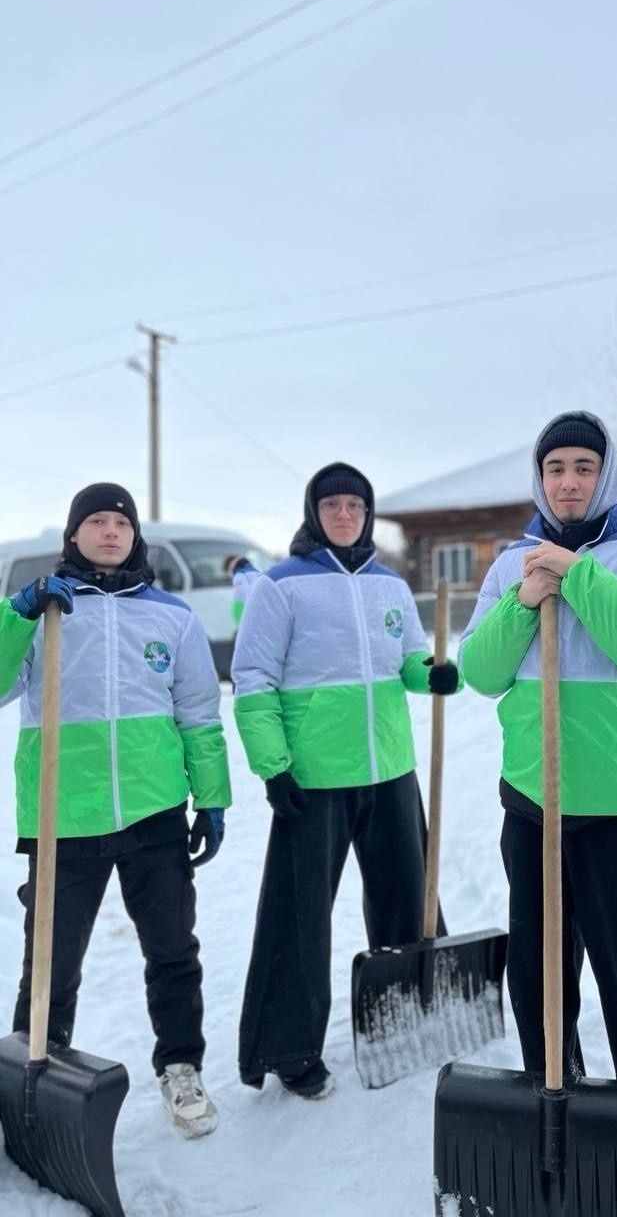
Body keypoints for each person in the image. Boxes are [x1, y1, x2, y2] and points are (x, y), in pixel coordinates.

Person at [459, 411, 617, 1168]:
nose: (569, 481)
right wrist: (524, 597)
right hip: (533, 802)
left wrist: (576, 573)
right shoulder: (511, 563)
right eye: (556, 467)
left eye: (585, 467)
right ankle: (552, 1104)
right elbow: (480, 670)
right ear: (540, 477)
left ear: (609, 473)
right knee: (540, 974)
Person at [0, 483, 231, 1140]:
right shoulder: (43, 612)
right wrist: (17, 616)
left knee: (172, 951)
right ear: (73, 535)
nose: (109, 531)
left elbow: (198, 715)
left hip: (152, 812)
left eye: (119, 521)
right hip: (61, 814)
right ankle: (31, 1073)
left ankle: (181, 1068)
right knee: (49, 958)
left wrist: (210, 797)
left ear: (135, 535)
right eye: (94, 521)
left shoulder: (172, 617)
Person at [232, 461, 459, 1100]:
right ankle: (288, 1048)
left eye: (355, 506)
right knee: (298, 915)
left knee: (408, 898)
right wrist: (273, 766)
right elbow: (253, 679)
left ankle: (411, 1015)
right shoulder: (281, 587)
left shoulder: (389, 586)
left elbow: (408, 657)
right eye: (331, 505)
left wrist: (431, 673)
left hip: (389, 767)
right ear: (314, 513)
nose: (344, 515)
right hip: (314, 776)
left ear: (366, 513)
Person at [225, 553, 259, 628]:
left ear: (230, 568)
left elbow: (239, 600)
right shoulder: (258, 573)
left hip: (249, 623)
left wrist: (238, 623)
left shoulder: (239, 576)